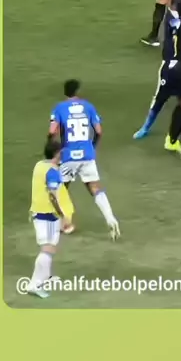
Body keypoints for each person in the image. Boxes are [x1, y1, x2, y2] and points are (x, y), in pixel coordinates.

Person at [49, 79, 120, 240]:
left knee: (59, 190)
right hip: (87, 154)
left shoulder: (59, 108)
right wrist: (92, 146)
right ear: (78, 92)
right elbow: (99, 131)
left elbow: (52, 131)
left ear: (65, 92)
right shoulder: (88, 106)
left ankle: (64, 224)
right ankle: (110, 218)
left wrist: (52, 149)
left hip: (68, 154)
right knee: (95, 188)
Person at [134, 0, 181, 153]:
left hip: (172, 67)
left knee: (163, 99)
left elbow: (175, 22)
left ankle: (148, 127)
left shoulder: (173, 22)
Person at [27, 138, 74, 299]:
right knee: (47, 249)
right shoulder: (52, 172)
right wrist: (62, 215)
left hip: (40, 212)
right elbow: (53, 197)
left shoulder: (39, 165)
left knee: (50, 247)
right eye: (61, 152)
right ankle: (34, 285)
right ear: (57, 153)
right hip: (46, 215)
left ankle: (46, 276)